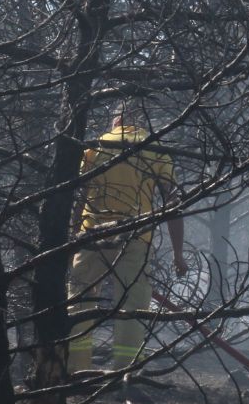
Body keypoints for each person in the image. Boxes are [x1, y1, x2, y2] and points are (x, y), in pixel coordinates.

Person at [42, 99, 188, 381]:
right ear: (141, 121)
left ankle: (74, 367)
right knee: (132, 305)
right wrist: (178, 254)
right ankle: (127, 371)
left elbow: (79, 196)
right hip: (136, 236)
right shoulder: (154, 149)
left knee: (80, 300)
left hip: (91, 235)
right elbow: (173, 203)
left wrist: (71, 238)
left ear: (117, 120)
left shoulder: (95, 146)